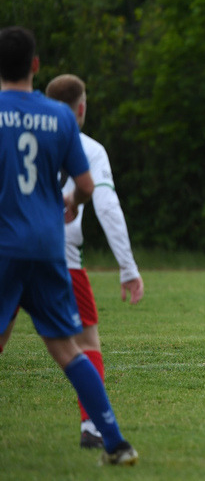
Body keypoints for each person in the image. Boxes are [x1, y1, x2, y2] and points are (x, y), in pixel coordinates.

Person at [0, 26, 138, 465]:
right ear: (35, 66)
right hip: (47, 246)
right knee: (68, 348)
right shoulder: (59, 117)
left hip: (3, 245)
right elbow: (84, 187)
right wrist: (69, 203)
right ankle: (115, 442)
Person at [41, 74, 145, 449]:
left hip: (10, 248)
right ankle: (93, 426)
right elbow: (106, 205)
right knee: (86, 342)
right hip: (61, 254)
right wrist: (128, 268)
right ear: (81, 108)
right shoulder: (88, 148)